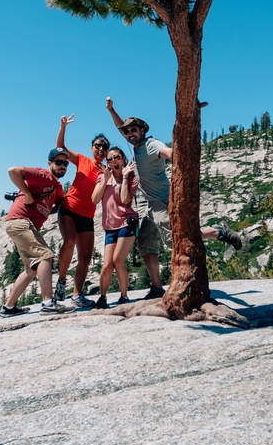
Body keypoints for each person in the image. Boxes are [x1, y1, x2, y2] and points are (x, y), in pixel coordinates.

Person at [105, 98, 242, 300]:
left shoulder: (150, 144)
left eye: (133, 130)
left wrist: (175, 153)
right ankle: (157, 288)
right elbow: (120, 127)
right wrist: (111, 109)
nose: (129, 134)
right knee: (145, 243)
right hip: (151, 206)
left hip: (162, 202)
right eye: (127, 132)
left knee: (173, 240)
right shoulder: (135, 145)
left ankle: (218, 232)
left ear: (142, 130)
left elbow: (168, 152)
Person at [1, 148, 75, 317]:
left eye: (65, 163)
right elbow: (12, 171)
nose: (63, 166)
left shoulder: (57, 187)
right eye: (59, 162)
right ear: (50, 164)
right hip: (20, 221)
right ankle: (48, 303)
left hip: (23, 225)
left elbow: (58, 205)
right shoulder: (42, 175)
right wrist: (26, 193)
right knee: (45, 255)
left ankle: (8, 308)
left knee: (31, 269)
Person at [54, 115, 110, 308]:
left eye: (104, 146)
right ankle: (61, 283)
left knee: (85, 258)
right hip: (69, 208)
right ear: (91, 147)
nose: (101, 149)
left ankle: (77, 295)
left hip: (87, 216)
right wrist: (63, 127)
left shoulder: (107, 169)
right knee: (69, 241)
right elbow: (60, 148)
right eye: (97, 145)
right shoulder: (83, 160)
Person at [91, 147, 139, 309]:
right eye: (109, 159)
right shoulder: (103, 178)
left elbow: (125, 200)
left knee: (118, 260)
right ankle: (103, 297)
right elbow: (94, 199)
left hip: (127, 222)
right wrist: (105, 180)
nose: (113, 162)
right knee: (106, 265)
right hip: (110, 227)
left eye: (116, 157)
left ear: (123, 158)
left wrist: (125, 177)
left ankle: (124, 296)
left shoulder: (132, 178)